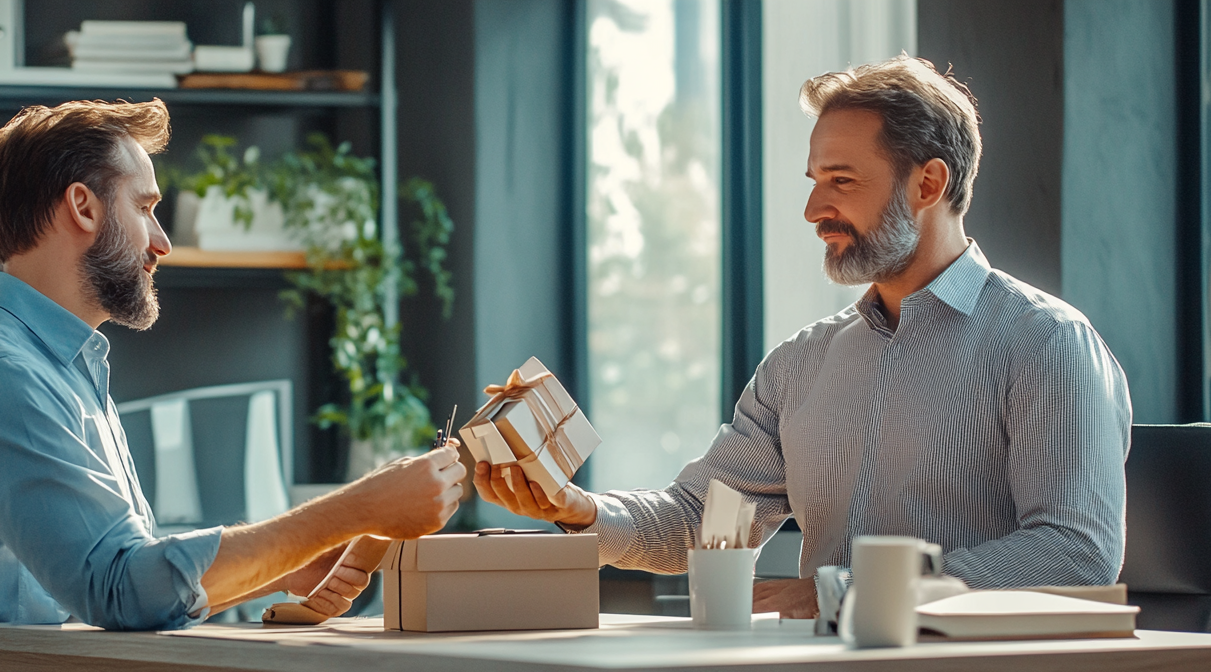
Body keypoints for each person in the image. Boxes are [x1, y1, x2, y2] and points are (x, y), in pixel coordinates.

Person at [476, 55, 1132, 618]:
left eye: (842, 181)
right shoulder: (801, 364)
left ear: (928, 183)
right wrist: (578, 508)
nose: (815, 210)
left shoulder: (1046, 344)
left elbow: (1075, 553)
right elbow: (700, 524)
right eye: (816, 182)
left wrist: (838, 595)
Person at [0, 100, 466, 671]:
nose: (162, 242)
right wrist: (355, 509)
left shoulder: (59, 367)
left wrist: (285, 565)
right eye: (144, 208)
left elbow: (138, 584)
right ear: (83, 208)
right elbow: (120, 590)